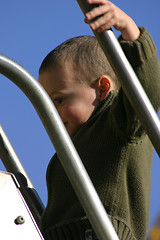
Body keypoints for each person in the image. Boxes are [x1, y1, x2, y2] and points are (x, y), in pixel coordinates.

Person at [38, 0, 160, 239]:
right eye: (45, 104)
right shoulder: (69, 150)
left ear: (103, 88)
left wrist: (130, 32)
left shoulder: (120, 121)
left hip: (101, 233)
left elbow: (146, 94)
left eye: (59, 100)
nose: (51, 112)